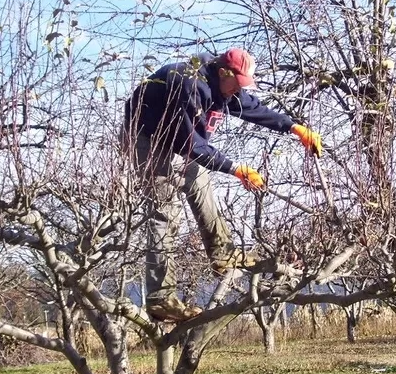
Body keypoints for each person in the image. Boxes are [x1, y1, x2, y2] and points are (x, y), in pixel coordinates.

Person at [122, 48, 323, 322]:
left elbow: (252, 108)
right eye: (237, 85)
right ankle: (160, 300)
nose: (237, 92)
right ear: (223, 72)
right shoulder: (187, 83)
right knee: (164, 212)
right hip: (147, 137)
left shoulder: (225, 87)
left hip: (179, 139)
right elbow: (190, 144)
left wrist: (293, 127)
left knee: (201, 187)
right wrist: (235, 169)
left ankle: (222, 255)